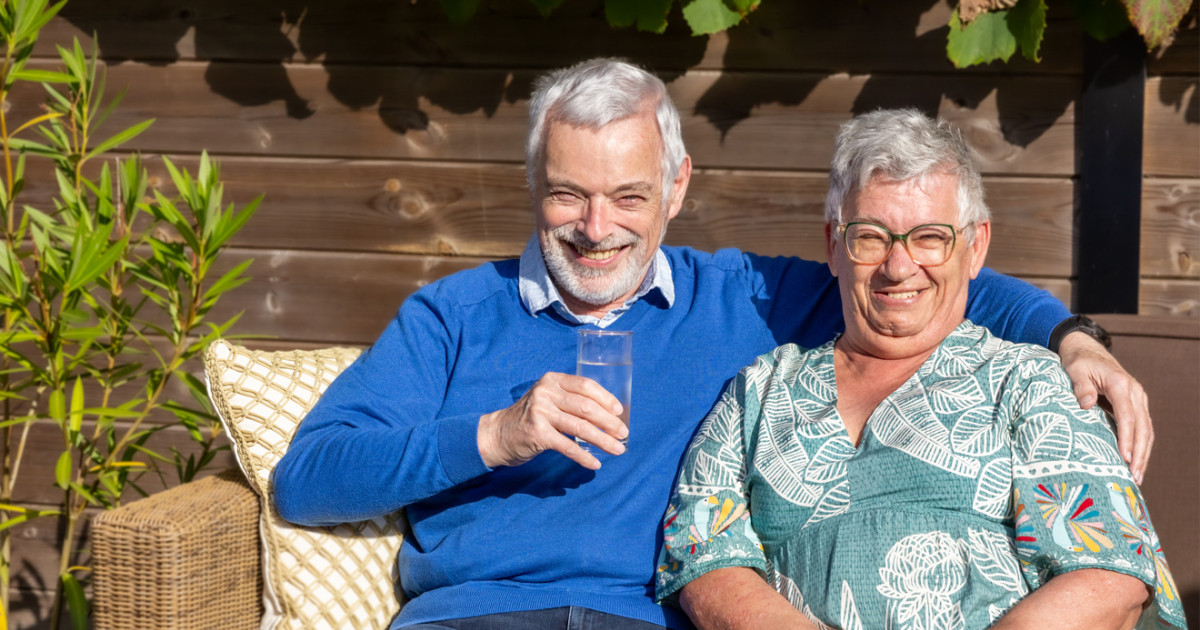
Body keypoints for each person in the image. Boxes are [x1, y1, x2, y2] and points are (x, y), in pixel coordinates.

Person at [271, 59, 1155, 630]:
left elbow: (915, 265)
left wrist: (1071, 337)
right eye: (567, 195)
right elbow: (309, 479)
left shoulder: (744, 297)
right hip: (474, 619)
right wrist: (493, 435)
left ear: (678, 184)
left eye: (627, 195)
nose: (595, 229)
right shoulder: (456, 313)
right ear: (533, 184)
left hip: (644, 623)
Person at [654, 109, 1185, 630]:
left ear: (974, 248)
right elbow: (706, 560)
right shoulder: (760, 391)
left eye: (930, 237)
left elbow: (1110, 579)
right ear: (833, 247)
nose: (898, 266)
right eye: (870, 236)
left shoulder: (1029, 382)